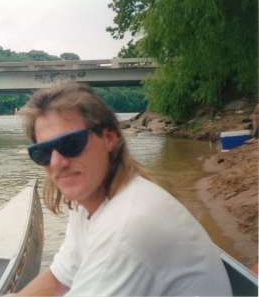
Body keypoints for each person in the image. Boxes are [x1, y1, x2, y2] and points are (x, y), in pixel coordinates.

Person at [15, 82, 232, 296]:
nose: (57, 163)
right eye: (42, 152)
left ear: (109, 138)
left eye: (70, 144)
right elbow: (60, 277)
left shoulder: (127, 228)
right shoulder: (87, 202)